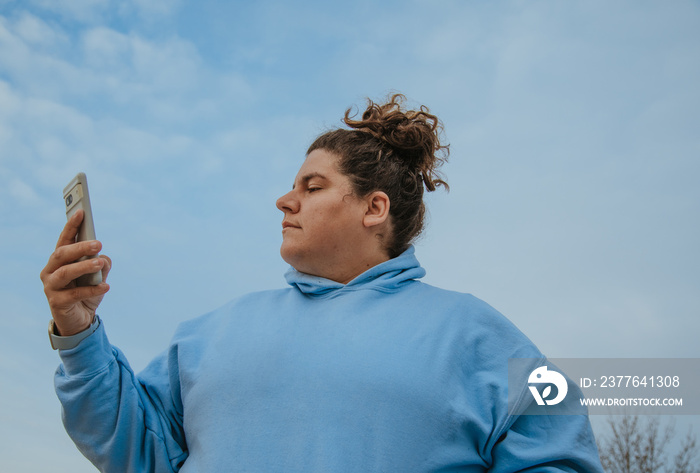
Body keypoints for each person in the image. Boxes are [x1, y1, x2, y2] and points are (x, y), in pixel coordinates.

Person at [41, 94, 604, 472]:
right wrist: (78, 330)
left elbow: (558, 452)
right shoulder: (210, 334)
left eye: (312, 186)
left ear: (373, 207)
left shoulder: (472, 333)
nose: (285, 200)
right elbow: (138, 448)